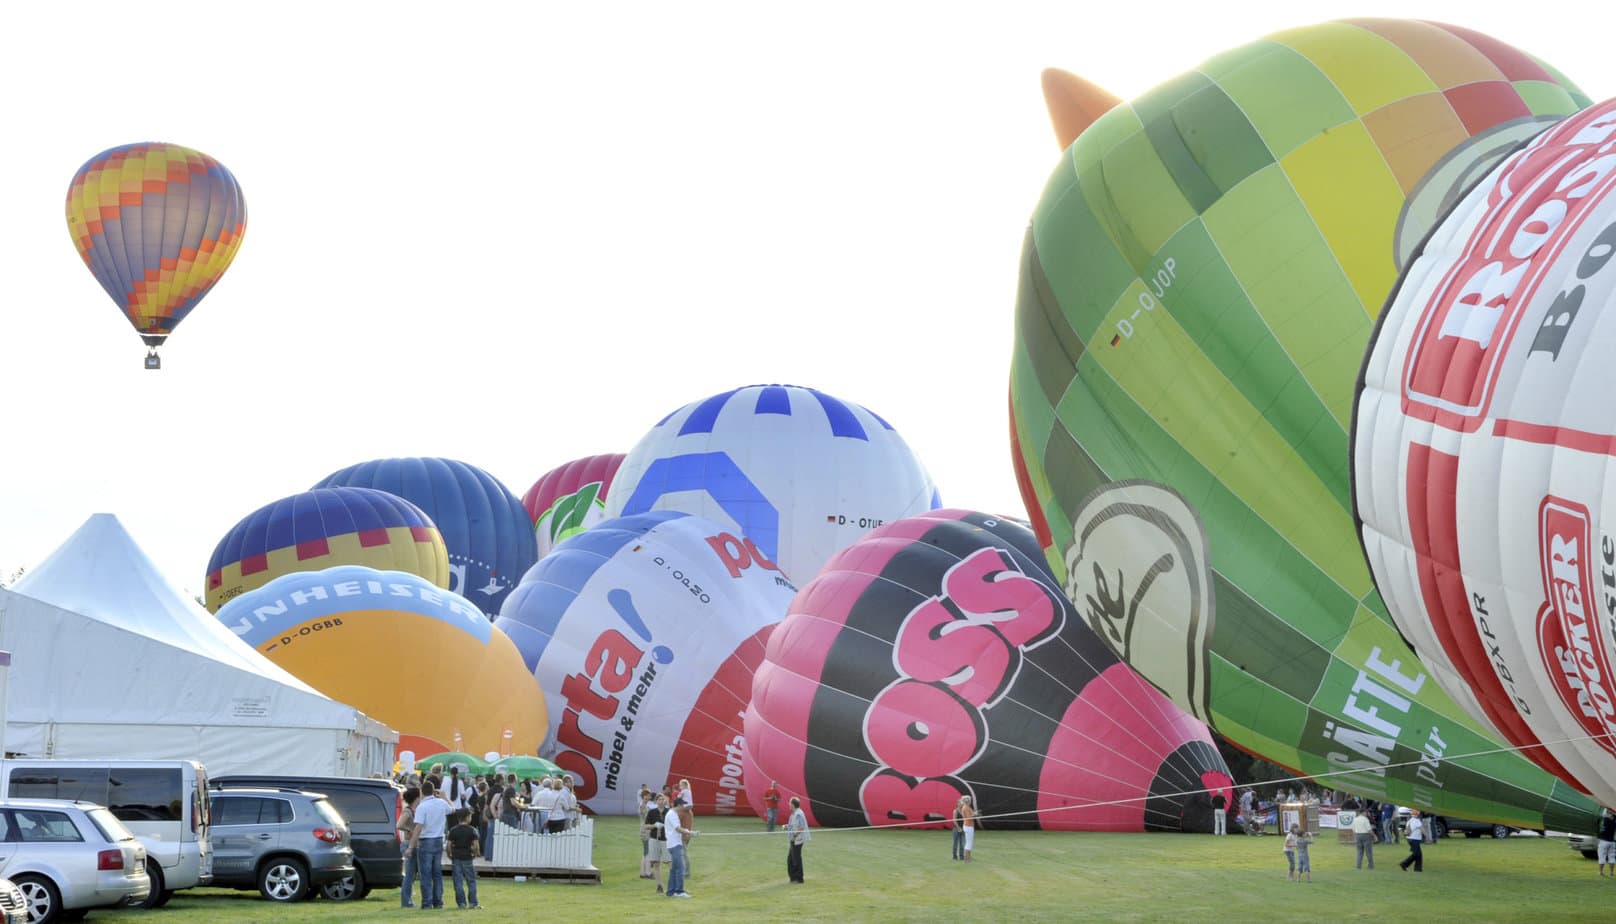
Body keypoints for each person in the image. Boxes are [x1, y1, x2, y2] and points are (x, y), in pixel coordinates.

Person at [406, 780, 450, 909]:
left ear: (421, 792)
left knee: (425, 874)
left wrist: (410, 847)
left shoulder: (422, 807)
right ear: (433, 791)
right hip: (438, 839)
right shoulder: (441, 803)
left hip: (426, 840)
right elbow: (452, 809)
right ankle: (438, 902)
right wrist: (445, 797)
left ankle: (427, 902)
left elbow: (418, 828)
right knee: (437, 873)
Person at [446, 809, 481, 909]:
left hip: (456, 857)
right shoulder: (472, 830)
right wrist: (475, 854)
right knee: (471, 881)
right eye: (470, 816)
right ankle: (473, 903)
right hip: (467, 857)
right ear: (467, 817)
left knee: (458, 881)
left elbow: (448, 846)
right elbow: (476, 845)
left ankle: (461, 903)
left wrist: (449, 855)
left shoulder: (453, 830)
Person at [398, 787, 421, 909]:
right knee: (409, 875)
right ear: (416, 798)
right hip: (408, 844)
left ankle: (408, 900)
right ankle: (406, 902)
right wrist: (410, 830)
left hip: (413, 844)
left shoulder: (414, 810)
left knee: (411, 875)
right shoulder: (408, 811)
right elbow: (399, 824)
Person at [665, 797, 693, 898]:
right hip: (675, 844)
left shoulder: (672, 813)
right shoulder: (672, 814)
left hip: (673, 844)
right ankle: (679, 891)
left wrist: (688, 832)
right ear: (679, 805)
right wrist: (689, 832)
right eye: (682, 805)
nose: (684, 807)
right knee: (680, 868)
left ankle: (670, 891)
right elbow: (678, 828)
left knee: (674, 869)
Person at [644, 792, 671, 894]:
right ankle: (659, 885)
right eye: (659, 799)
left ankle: (671, 884)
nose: (661, 801)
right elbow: (646, 826)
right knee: (656, 863)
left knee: (669, 862)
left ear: (665, 801)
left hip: (666, 840)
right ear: (656, 801)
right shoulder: (652, 812)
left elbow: (673, 825)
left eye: (663, 799)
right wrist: (655, 825)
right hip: (654, 840)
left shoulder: (669, 812)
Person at [786, 796, 810, 884]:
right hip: (793, 839)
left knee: (796, 859)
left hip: (797, 840)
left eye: (789, 803)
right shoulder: (794, 813)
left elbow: (801, 827)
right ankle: (793, 877)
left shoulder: (799, 813)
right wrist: (787, 827)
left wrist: (794, 836)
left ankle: (799, 879)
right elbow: (794, 825)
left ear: (793, 804)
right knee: (791, 859)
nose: (789, 805)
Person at [638, 787, 656, 879]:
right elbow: (647, 818)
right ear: (644, 796)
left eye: (649, 795)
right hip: (646, 831)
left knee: (645, 852)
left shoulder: (645, 805)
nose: (649, 797)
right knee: (647, 852)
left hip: (645, 830)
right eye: (647, 795)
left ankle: (643, 873)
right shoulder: (643, 805)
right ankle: (648, 873)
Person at [1599, 808, 1616, 878]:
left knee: (1602, 856)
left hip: (1604, 841)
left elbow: (1603, 814)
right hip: (1612, 842)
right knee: (1612, 857)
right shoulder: (1614, 821)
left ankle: (1601, 872)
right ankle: (1611, 872)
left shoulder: (1605, 819)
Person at [960, 794, 977, 862]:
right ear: (968, 801)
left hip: (969, 826)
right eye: (970, 800)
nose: (970, 801)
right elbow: (969, 818)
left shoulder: (967, 807)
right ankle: (966, 859)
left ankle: (968, 858)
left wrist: (974, 814)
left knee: (970, 843)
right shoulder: (966, 807)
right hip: (968, 826)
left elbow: (970, 815)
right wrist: (975, 814)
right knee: (969, 843)